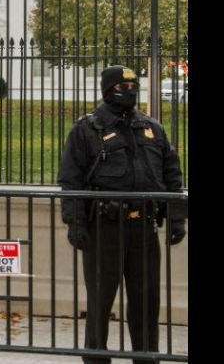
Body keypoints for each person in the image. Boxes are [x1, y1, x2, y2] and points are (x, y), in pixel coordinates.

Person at [57, 65, 186, 364]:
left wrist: (177, 217)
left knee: (146, 303)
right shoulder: (87, 129)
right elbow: (70, 180)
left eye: (133, 87)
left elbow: (172, 176)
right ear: (107, 90)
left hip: (144, 228)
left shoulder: (152, 127)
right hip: (104, 228)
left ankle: (146, 359)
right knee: (100, 304)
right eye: (122, 87)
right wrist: (75, 222)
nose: (129, 92)